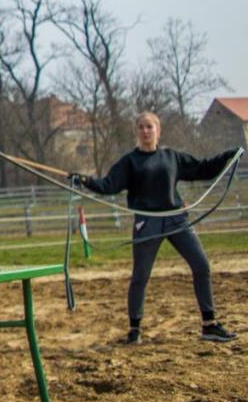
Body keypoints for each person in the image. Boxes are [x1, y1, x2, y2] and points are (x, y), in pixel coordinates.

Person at [70, 112, 241, 345]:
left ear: (158, 130)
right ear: (136, 132)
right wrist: (85, 180)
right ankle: (134, 330)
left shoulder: (171, 157)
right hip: (147, 222)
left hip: (176, 219)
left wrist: (227, 157)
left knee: (201, 266)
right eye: (141, 127)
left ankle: (209, 325)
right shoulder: (130, 162)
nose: (145, 131)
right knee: (140, 276)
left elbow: (203, 169)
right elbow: (109, 185)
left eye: (149, 126)